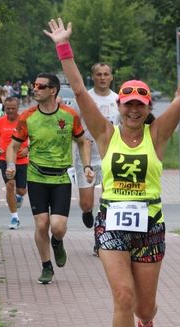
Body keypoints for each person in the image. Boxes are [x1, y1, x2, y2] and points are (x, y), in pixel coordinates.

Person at [44, 16, 180, 327]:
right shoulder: (105, 133)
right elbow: (81, 90)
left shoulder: (158, 134)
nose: (132, 110)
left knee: (143, 307)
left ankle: (146, 325)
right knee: (122, 295)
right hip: (112, 223)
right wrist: (63, 48)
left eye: (139, 104)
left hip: (150, 226)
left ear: (147, 107)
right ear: (120, 105)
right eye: (127, 103)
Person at [5, 73, 94, 284]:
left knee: (58, 227)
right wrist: (11, 166)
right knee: (42, 224)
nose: (35, 89)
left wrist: (87, 166)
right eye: (34, 85)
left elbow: (83, 142)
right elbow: (13, 146)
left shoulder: (70, 115)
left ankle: (57, 242)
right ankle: (46, 266)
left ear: (52, 90)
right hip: (36, 176)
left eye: (40, 86)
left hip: (61, 177)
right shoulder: (27, 117)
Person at [73, 62, 120, 251]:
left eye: (106, 74)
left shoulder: (118, 100)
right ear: (93, 77)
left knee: (109, 200)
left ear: (111, 77)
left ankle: (100, 237)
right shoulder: (85, 99)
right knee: (86, 202)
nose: (102, 78)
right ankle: (86, 212)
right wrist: (79, 139)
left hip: (110, 156)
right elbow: (74, 124)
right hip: (86, 157)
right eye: (98, 74)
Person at [0, 97, 28, 229]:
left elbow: (35, 138)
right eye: (8, 108)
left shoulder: (24, 122)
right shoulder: (0, 122)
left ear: (18, 108)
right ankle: (14, 218)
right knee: (10, 185)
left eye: (13, 108)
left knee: (22, 190)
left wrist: (27, 149)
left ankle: (19, 196)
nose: (11, 111)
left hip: (22, 160)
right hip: (5, 160)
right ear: (4, 108)